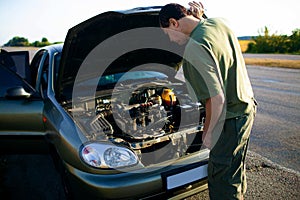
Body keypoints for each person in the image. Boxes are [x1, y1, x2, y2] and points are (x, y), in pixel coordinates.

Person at [159, 2, 257, 200]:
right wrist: (200, 17)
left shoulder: (194, 49)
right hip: (246, 108)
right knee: (234, 169)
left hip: (229, 119)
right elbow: (207, 30)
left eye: (167, 33)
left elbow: (217, 98)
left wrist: (208, 132)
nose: (170, 40)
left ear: (173, 22)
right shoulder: (220, 23)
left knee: (222, 179)